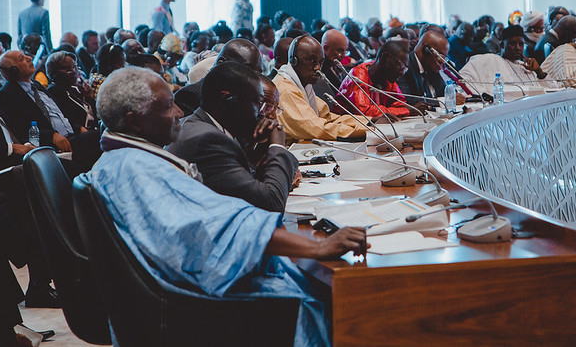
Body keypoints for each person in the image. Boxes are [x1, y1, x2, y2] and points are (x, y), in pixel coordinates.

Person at [75, 67, 366, 347]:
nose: (178, 113)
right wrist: (318, 247)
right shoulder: (136, 168)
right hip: (188, 308)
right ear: (135, 121)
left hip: (155, 304)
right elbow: (220, 225)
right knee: (324, 295)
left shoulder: (119, 161)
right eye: (167, 107)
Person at [167, 63, 298, 212]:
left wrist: (258, 147)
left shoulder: (206, 125)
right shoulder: (207, 139)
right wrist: (278, 146)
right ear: (228, 98)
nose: (261, 113)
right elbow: (271, 202)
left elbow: (246, 182)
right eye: (257, 103)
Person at [273, 36, 369, 142]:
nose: (317, 68)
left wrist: (369, 122)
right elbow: (315, 128)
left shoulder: (303, 84)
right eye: (312, 61)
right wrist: (364, 131)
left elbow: (327, 117)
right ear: (294, 61)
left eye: (320, 62)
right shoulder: (285, 89)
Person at [0, 51, 73, 152]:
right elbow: (21, 131)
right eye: (21, 59)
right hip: (51, 147)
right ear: (13, 70)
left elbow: (57, 113)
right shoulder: (7, 95)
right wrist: (50, 136)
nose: (29, 58)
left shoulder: (36, 85)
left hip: (70, 135)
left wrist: (76, 127)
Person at [174, 38, 262, 116]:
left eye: (257, 73)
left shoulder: (246, 98)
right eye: (247, 69)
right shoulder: (188, 96)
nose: (254, 78)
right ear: (221, 63)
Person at [337, 40, 415, 119]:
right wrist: (405, 111)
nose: (402, 72)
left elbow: (399, 104)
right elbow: (364, 111)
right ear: (385, 58)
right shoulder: (358, 76)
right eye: (400, 65)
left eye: (405, 67)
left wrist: (412, 109)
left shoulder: (387, 77)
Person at [460, 24, 553, 89]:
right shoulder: (491, 60)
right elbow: (463, 79)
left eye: (521, 44)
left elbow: (552, 89)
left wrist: (539, 72)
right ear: (502, 45)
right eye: (512, 43)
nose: (517, 48)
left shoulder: (526, 67)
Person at [398, 29, 462, 106]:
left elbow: (445, 92)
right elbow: (408, 100)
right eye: (440, 56)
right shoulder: (404, 67)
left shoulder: (431, 66)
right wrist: (443, 101)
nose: (442, 61)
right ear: (426, 50)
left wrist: (454, 96)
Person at [312, 29, 349, 104]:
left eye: (345, 51)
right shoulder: (317, 70)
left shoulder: (336, 65)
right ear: (325, 48)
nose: (343, 55)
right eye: (339, 51)